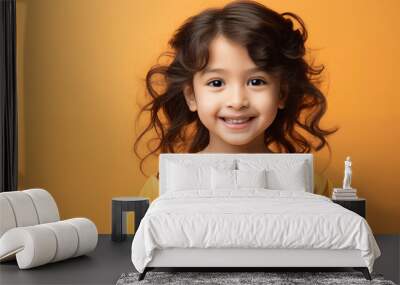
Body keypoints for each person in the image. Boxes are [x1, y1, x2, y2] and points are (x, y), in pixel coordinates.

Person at [133, 0, 338, 200]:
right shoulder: (160, 189)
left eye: (256, 81)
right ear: (191, 96)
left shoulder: (312, 186)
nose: (237, 101)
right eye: (216, 83)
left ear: (281, 94)